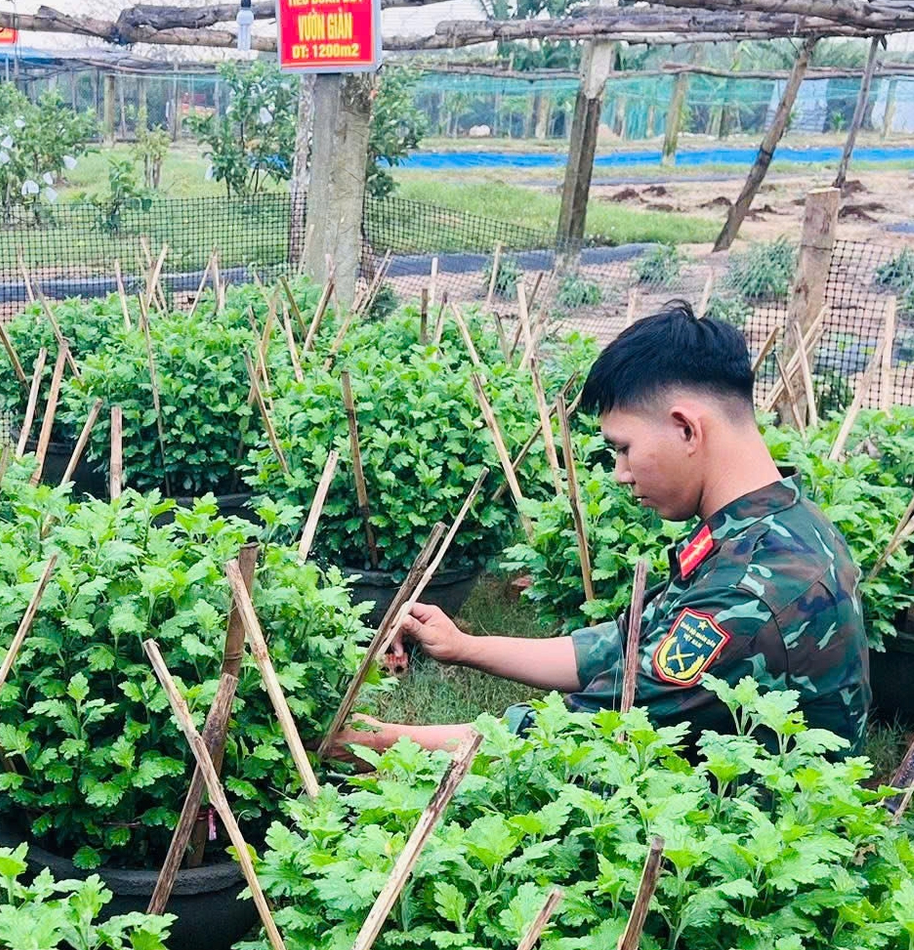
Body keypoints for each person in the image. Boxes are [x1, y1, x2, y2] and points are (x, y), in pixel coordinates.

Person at [353, 301, 870, 754]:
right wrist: (462, 645)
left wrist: (376, 742)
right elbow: (625, 647)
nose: (621, 473)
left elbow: (580, 735)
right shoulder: (781, 521)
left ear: (686, 428)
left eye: (623, 448)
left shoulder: (748, 593)